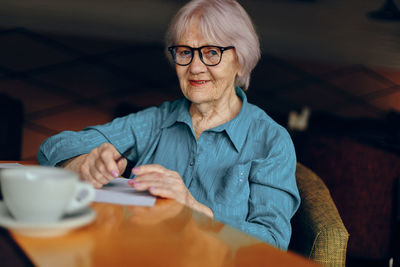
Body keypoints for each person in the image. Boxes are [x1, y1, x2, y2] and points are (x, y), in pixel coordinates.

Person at [38, 0, 300, 250]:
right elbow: (53, 146)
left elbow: (273, 241)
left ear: (240, 59)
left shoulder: (270, 141)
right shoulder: (156, 121)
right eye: (185, 52)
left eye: (211, 52)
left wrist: (196, 210)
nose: (195, 67)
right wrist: (82, 165)